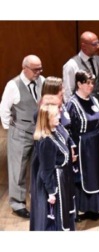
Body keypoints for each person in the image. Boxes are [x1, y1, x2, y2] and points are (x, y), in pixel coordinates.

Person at [0, 54, 45, 219]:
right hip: (20, 133)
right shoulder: (13, 85)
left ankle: (37, 198)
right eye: (35, 69)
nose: (38, 72)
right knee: (17, 169)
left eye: (40, 68)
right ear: (24, 68)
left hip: (39, 132)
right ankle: (17, 203)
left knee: (38, 167)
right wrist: (11, 129)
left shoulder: (43, 81)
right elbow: (4, 109)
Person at [30, 76, 77, 229]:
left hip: (60, 154)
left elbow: (63, 130)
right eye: (60, 88)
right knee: (49, 209)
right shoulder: (46, 113)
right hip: (50, 161)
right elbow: (46, 164)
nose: (63, 90)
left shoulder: (59, 107)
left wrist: (70, 146)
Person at [66, 70, 99, 220]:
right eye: (87, 83)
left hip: (96, 143)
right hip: (82, 145)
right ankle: (81, 208)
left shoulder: (94, 100)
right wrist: (72, 149)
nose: (91, 86)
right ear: (79, 84)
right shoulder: (72, 104)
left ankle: (95, 207)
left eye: (92, 83)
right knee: (83, 176)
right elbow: (68, 129)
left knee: (96, 175)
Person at [62, 31, 99, 102]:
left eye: (98, 43)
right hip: (82, 106)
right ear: (84, 46)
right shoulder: (71, 65)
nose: (98, 46)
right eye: (94, 44)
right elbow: (68, 93)